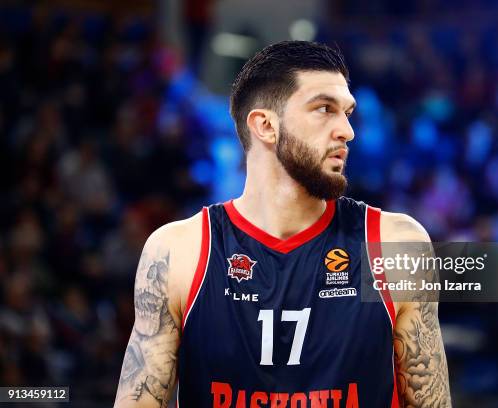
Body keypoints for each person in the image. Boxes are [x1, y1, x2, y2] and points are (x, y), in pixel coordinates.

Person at [113, 41, 451, 408]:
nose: (347, 131)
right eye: (325, 109)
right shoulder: (180, 251)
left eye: (347, 113)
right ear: (265, 126)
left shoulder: (394, 244)